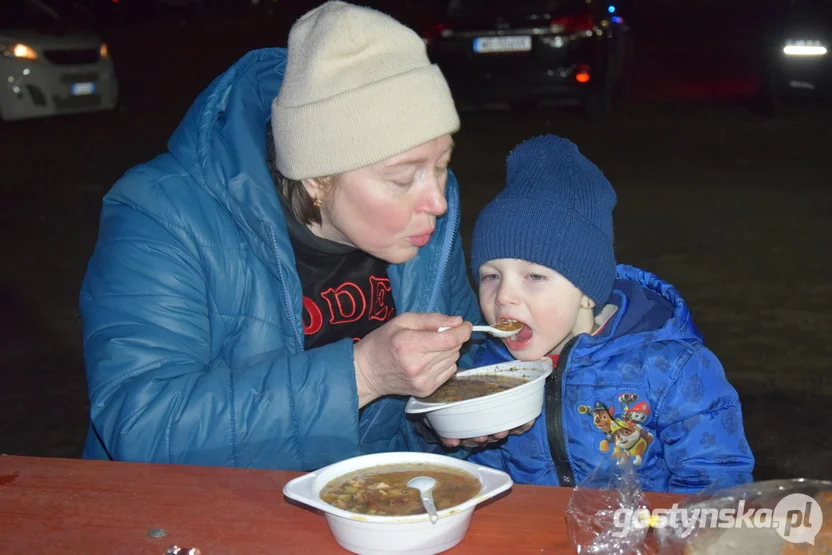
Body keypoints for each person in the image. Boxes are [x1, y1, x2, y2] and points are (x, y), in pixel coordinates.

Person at [79, 1, 489, 470]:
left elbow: (466, 354)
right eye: (402, 179)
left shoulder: (425, 222)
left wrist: (463, 414)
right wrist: (362, 375)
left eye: (441, 165)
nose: (436, 200)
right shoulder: (161, 214)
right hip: (208, 512)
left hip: (378, 502)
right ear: (316, 178)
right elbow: (141, 425)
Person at [466, 135, 755, 493]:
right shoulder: (487, 373)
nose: (504, 296)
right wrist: (452, 433)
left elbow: (717, 478)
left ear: (587, 293)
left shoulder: (671, 367)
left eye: (535, 276)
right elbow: (476, 480)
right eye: (490, 275)